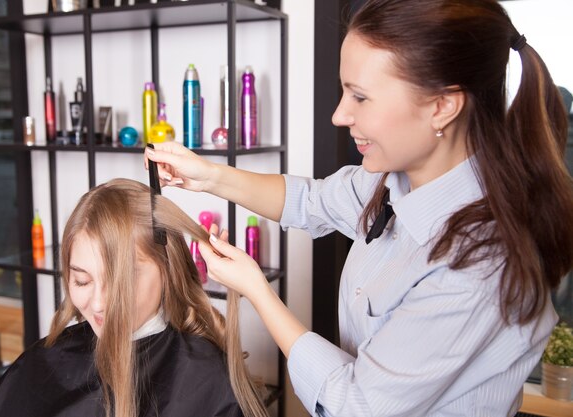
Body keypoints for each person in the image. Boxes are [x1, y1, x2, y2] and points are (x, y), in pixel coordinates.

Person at [144, 0, 573, 415]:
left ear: (442, 106)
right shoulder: (390, 179)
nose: (338, 115)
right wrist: (207, 176)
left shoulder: (478, 264)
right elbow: (309, 201)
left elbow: (355, 405)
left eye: (360, 97)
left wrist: (258, 290)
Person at [0, 179, 269, 417]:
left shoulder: (209, 382)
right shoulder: (44, 361)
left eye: (121, 281)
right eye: (82, 280)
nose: (100, 303)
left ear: (168, 270)